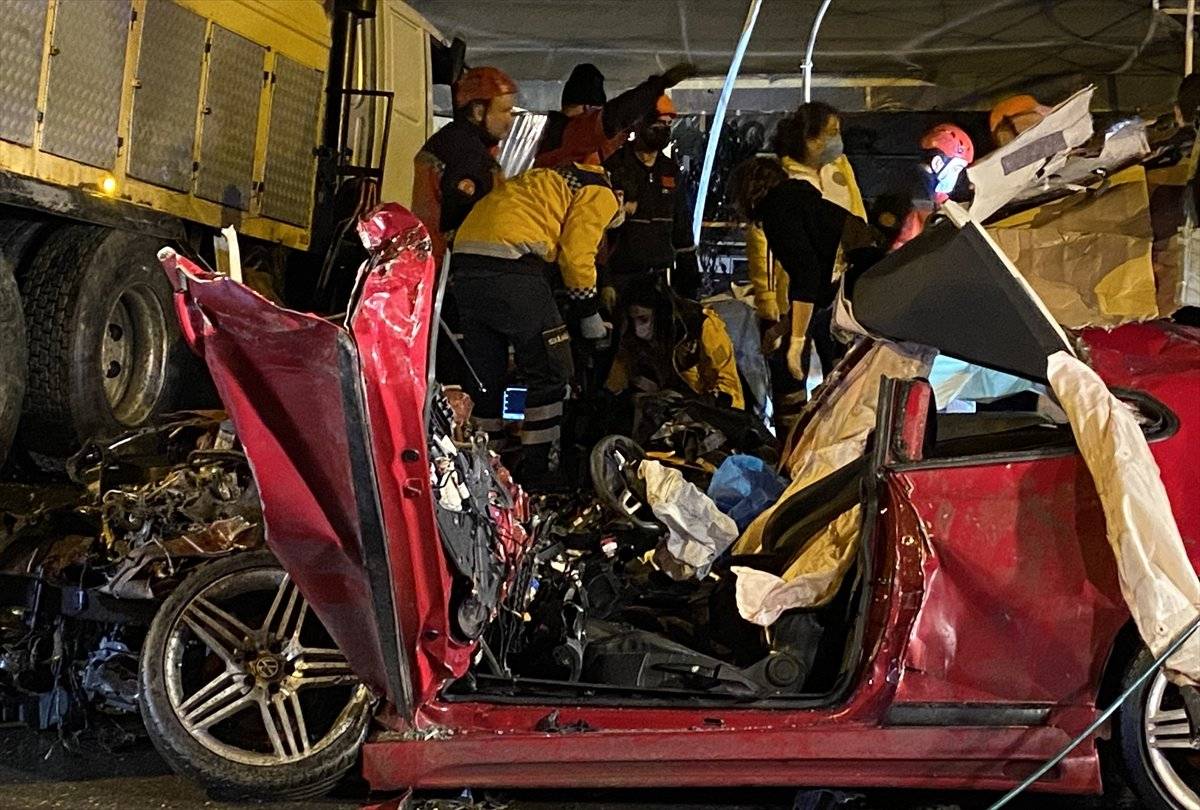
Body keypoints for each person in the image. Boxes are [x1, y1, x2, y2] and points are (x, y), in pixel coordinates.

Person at [450, 163, 622, 479]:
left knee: (485, 376)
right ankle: (539, 470)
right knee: (550, 369)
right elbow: (576, 253)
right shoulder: (602, 192)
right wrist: (589, 314)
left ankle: (486, 467)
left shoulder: (544, 179)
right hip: (512, 262)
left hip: (464, 263)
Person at [733, 154, 875, 393]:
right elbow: (817, 283)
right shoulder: (802, 203)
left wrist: (796, 342)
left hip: (851, 288)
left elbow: (806, 275)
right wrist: (782, 329)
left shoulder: (778, 212)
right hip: (860, 280)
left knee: (831, 377)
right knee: (844, 377)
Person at [412, 67, 518, 267]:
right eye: (504, 111)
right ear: (479, 111)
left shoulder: (446, 141)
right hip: (450, 265)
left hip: (427, 256)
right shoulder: (471, 157)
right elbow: (474, 221)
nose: (509, 120)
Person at [602, 94, 701, 301]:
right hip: (621, 278)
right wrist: (605, 282)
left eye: (667, 124)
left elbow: (682, 226)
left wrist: (690, 281)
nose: (663, 129)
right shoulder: (614, 168)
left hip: (660, 278)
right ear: (638, 124)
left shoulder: (670, 170)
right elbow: (596, 232)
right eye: (656, 123)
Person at [605, 275, 744, 410]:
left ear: (660, 314)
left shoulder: (700, 327)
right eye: (631, 320)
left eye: (643, 319)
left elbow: (729, 391)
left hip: (701, 410)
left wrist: (679, 399)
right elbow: (615, 384)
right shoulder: (628, 336)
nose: (637, 329)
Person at [534, 62, 697, 168]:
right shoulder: (573, 133)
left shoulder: (553, 134)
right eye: (596, 111)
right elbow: (617, 115)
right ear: (587, 107)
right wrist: (660, 84)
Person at [882, 123, 975, 251]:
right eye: (955, 169)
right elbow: (908, 243)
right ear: (937, 163)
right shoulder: (922, 195)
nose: (957, 176)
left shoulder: (921, 186)